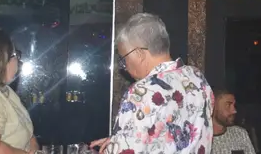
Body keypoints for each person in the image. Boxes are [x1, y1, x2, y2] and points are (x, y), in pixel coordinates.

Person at [90, 13, 214, 154]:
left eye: (124, 60)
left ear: (139, 54)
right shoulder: (197, 78)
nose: (124, 67)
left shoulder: (142, 91)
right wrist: (119, 140)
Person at [212, 87, 257, 154]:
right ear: (213, 106)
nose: (234, 111)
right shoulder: (199, 139)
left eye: (234, 105)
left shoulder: (239, 134)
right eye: (228, 105)